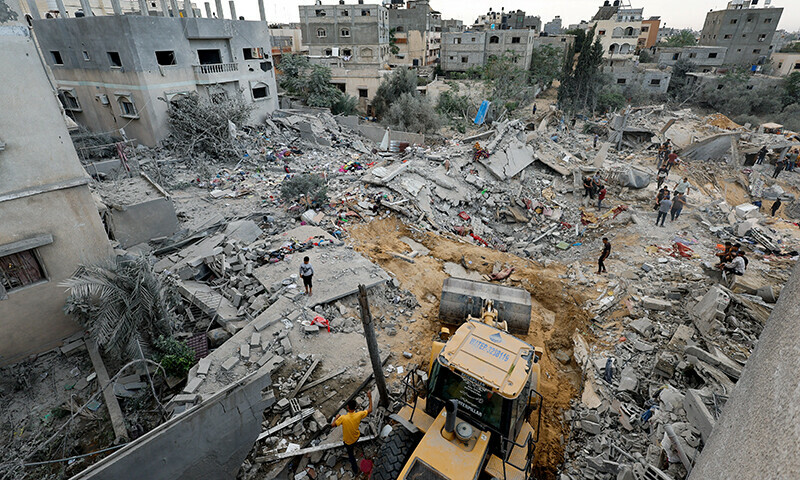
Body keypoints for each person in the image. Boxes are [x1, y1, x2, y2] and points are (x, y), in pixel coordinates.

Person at [332, 392, 373, 477]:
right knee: (354, 441)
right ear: (355, 408)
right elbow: (370, 410)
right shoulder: (359, 414)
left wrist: (336, 417)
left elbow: (333, 425)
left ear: (347, 407)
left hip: (348, 442)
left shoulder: (343, 418)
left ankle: (355, 470)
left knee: (351, 456)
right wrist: (370, 398)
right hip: (356, 437)